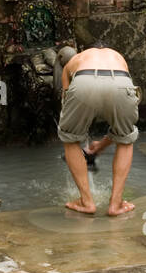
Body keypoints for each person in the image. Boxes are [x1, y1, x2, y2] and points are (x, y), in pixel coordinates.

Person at [56, 42, 139, 216]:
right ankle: (115, 205)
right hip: (120, 81)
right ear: (106, 49)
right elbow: (121, 130)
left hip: (84, 81)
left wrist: (73, 125)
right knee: (126, 139)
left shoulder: (78, 59)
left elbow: (66, 96)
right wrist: (101, 144)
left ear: (87, 51)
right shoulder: (117, 57)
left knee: (70, 139)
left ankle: (87, 202)